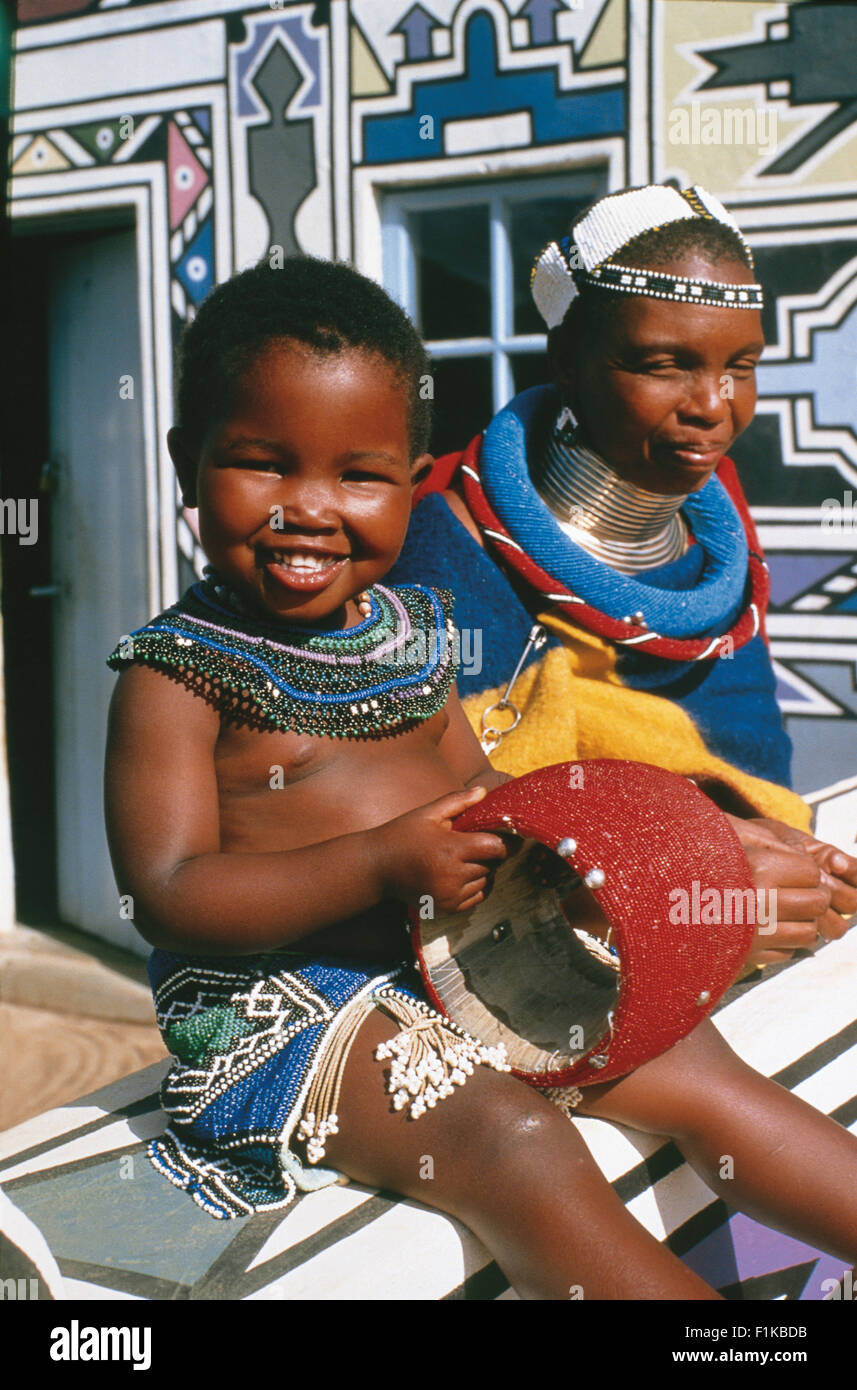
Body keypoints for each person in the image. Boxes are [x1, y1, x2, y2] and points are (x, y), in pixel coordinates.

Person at [104, 256, 857, 1300]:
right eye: (261, 464)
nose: (310, 508)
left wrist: (642, 854)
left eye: (357, 475)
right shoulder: (176, 673)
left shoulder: (411, 628)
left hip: (454, 947)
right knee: (511, 1141)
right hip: (280, 1004)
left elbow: (490, 786)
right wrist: (379, 865)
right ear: (188, 463)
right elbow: (170, 892)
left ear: (411, 485)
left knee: (688, 1056)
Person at [388, 184, 857, 967]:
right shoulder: (438, 553)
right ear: (568, 361)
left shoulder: (719, 558)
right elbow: (432, 821)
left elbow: (747, 769)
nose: (713, 404)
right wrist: (672, 877)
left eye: (739, 366)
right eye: (663, 364)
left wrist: (781, 857)